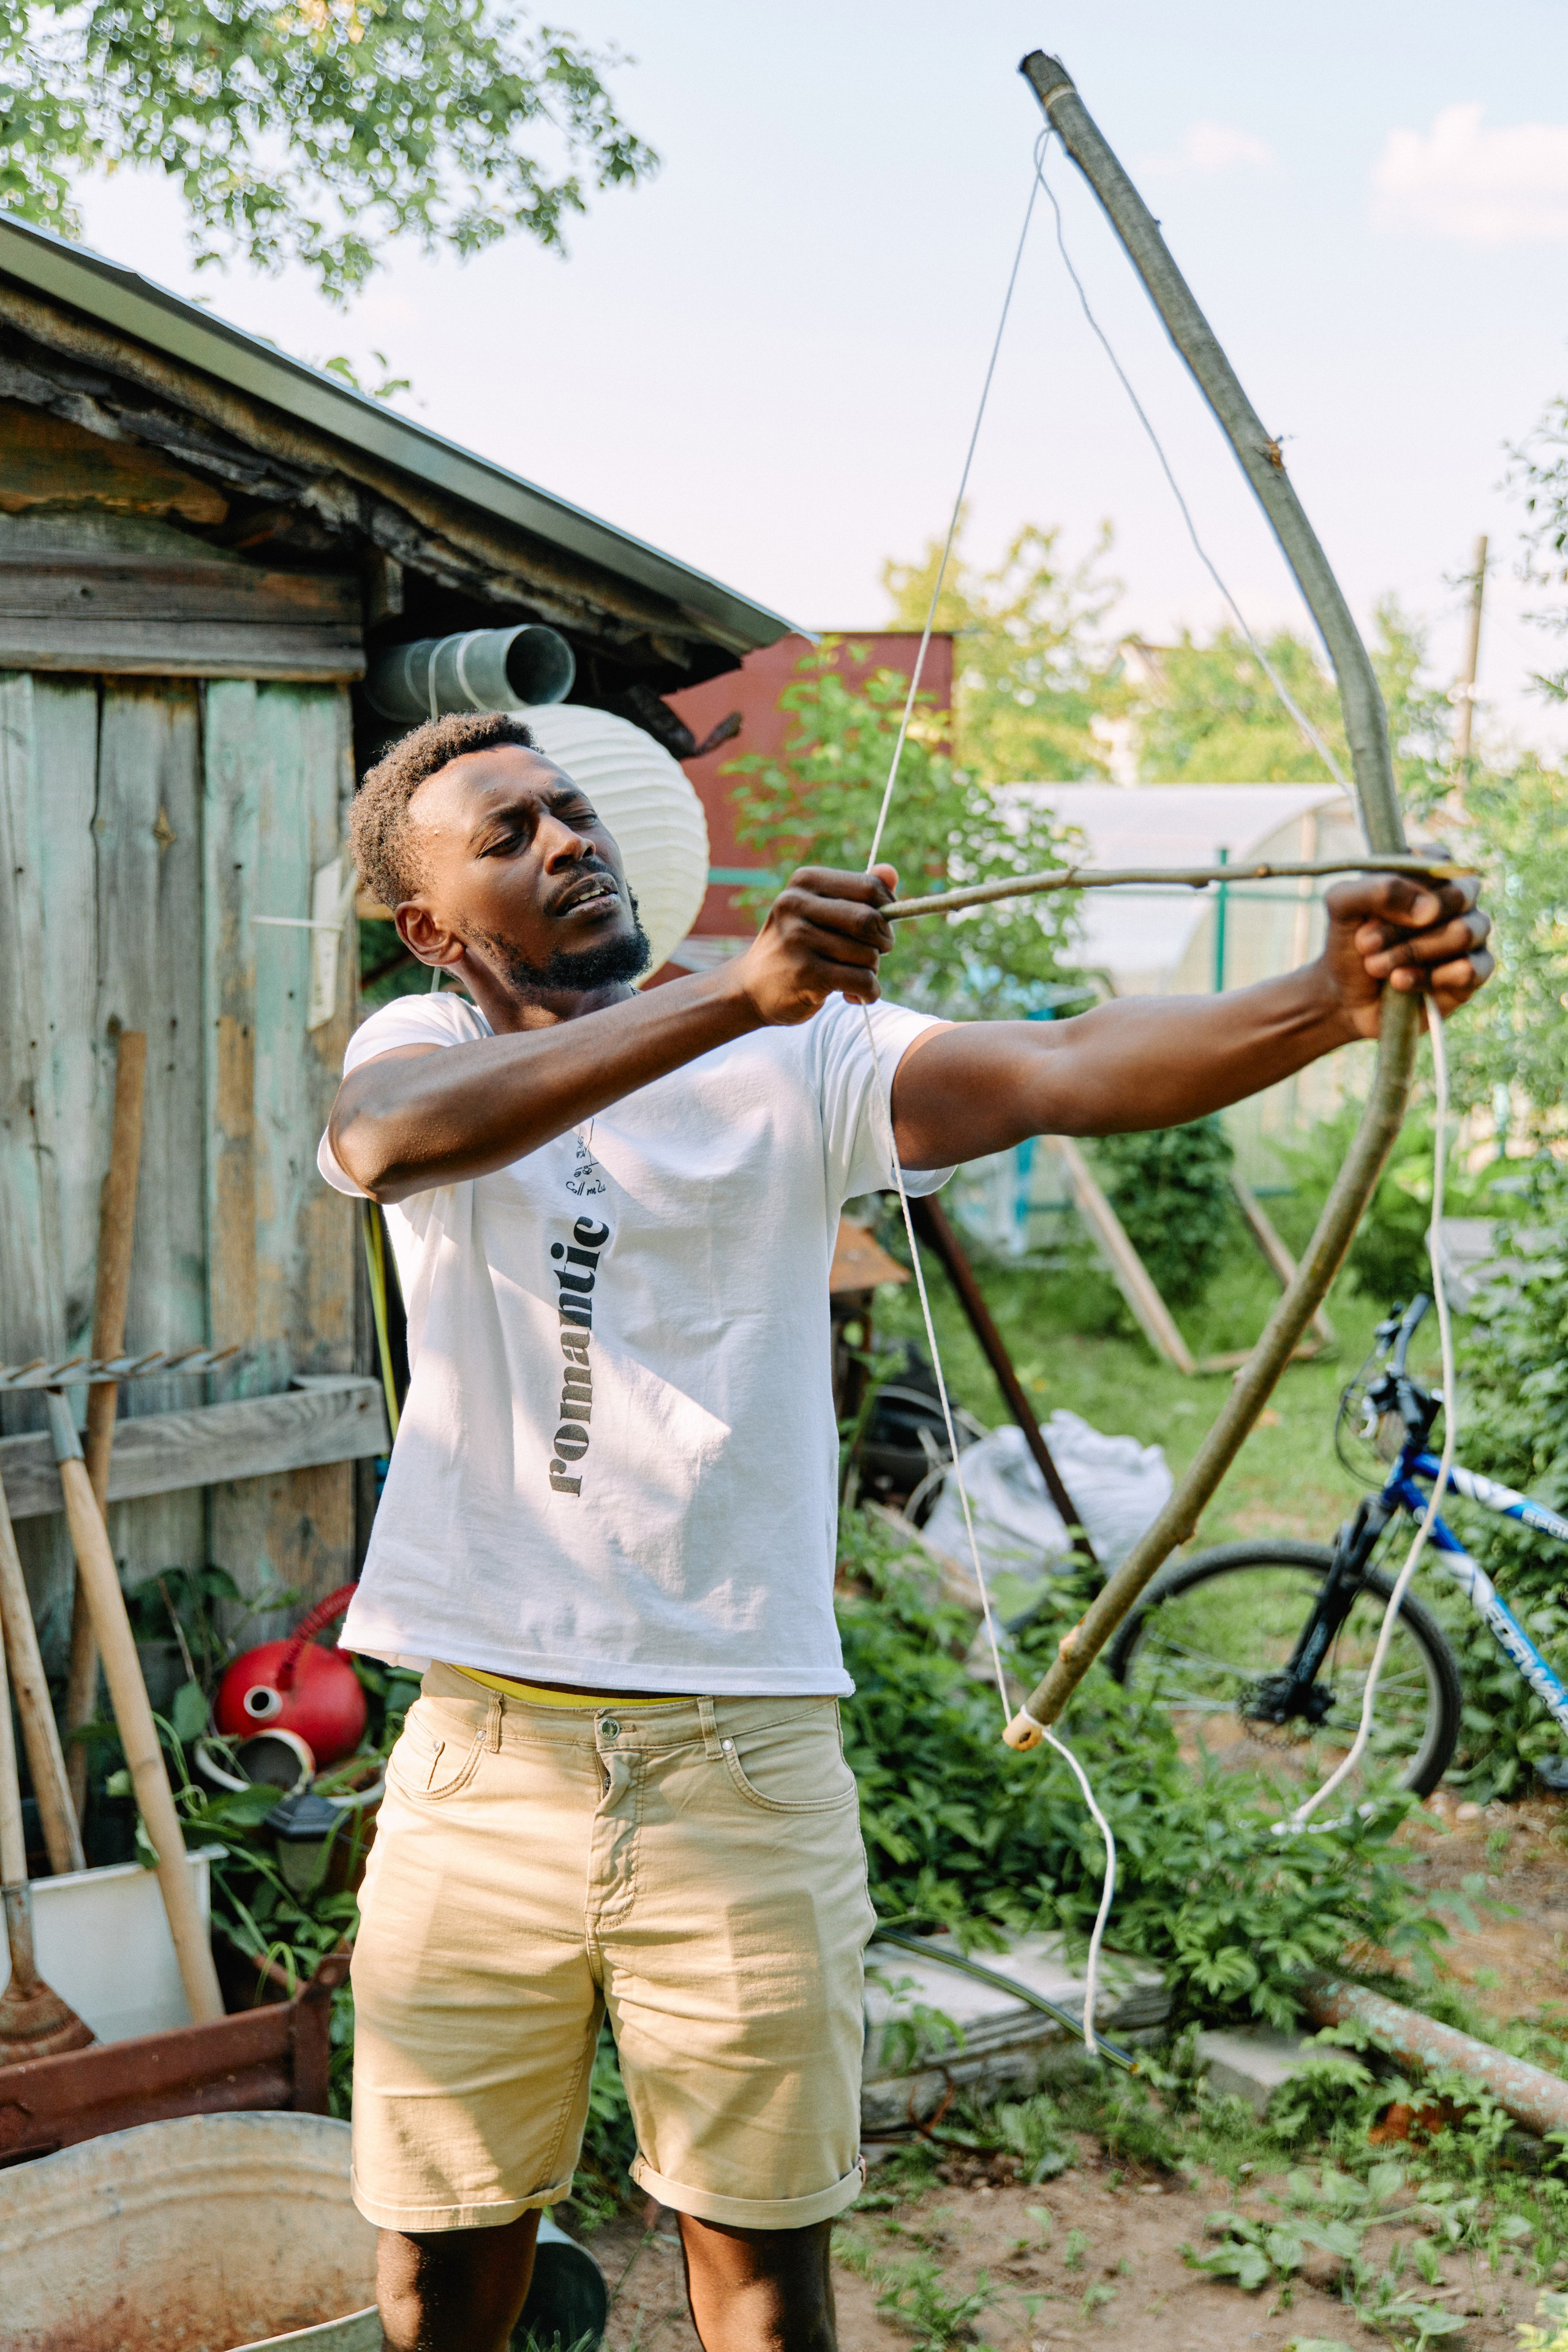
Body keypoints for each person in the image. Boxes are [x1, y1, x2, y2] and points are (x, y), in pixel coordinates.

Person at [322, 709, 1491, 2352]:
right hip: (480, 1770)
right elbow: (389, 1142)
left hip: (742, 1764)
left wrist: (1330, 999)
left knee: (763, 2283)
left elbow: (1069, 1065)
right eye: (506, 835)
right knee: (437, 2278)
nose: (567, 838)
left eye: (570, 808)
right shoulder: (424, 1042)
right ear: (432, 927)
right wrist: (736, 994)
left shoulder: (803, 1054)